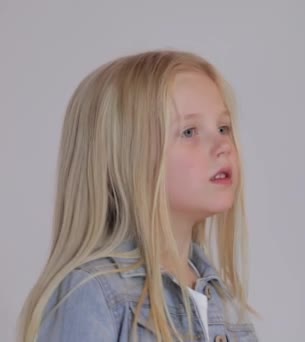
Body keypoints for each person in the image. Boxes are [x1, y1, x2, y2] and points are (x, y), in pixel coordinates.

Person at [17, 50, 259, 341]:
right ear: (125, 158)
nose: (222, 145)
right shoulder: (93, 293)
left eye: (223, 127)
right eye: (189, 131)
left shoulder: (223, 300)